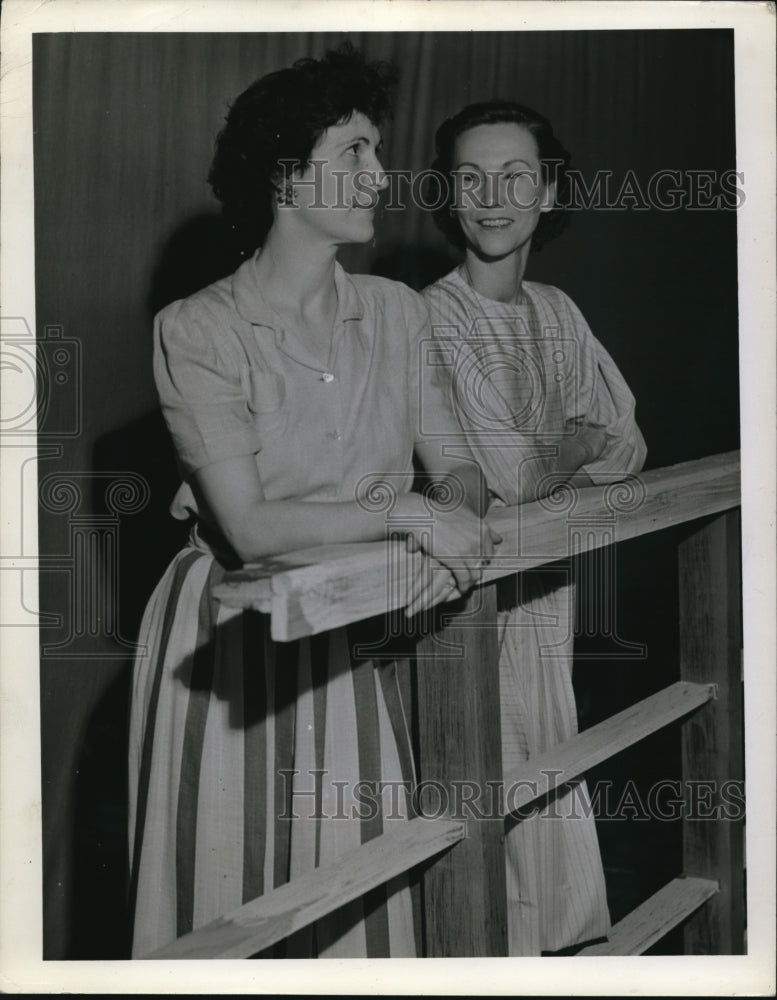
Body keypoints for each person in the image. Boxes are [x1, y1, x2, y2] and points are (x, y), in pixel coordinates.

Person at [127, 47, 497, 959]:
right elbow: (249, 526)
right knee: (226, 899)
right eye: (357, 153)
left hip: (345, 628)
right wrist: (411, 518)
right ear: (287, 175)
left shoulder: (398, 314)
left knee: (352, 899)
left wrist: (446, 525)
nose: (382, 175)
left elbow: (460, 470)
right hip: (222, 637)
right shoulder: (197, 328)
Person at [422, 100, 647, 955]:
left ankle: (561, 958)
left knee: (550, 777)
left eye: (516, 175)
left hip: (545, 592)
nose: (493, 196)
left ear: (548, 190)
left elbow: (627, 443)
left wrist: (573, 450)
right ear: (447, 193)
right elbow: (507, 475)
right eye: (471, 177)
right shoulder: (430, 314)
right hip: (467, 598)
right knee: (491, 798)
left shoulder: (557, 310)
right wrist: (576, 443)